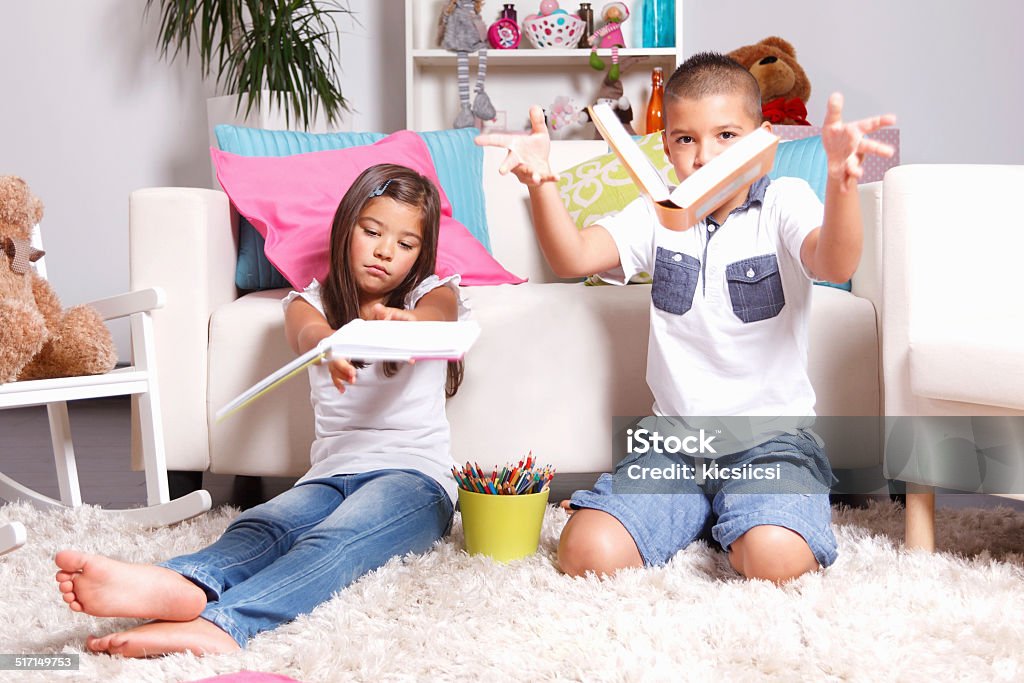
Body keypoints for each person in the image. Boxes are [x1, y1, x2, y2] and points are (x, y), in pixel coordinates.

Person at [476, 52, 895, 584]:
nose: (704, 157)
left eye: (727, 136)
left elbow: (835, 262)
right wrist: (541, 181)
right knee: (586, 553)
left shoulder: (784, 202)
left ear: (764, 142)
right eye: (685, 139)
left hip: (771, 443)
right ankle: (698, 512)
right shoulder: (656, 215)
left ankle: (742, 517)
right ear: (667, 145)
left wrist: (840, 182)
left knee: (774, 561)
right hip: (674, 447)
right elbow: (573, 258)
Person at [53, 163, 467, 656]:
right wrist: (332, 344)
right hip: (329, 475)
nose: (384, 251)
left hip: (414, 479)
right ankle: (183, 582)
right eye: (372, 232)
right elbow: (306, 335)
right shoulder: (308, 302)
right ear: (346, 228)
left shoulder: (433, 294)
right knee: (263, 524)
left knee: (336, 540)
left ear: (422, 254)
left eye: (405, 244)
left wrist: (403, 324)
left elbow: (435, 319)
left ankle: (225, 623)